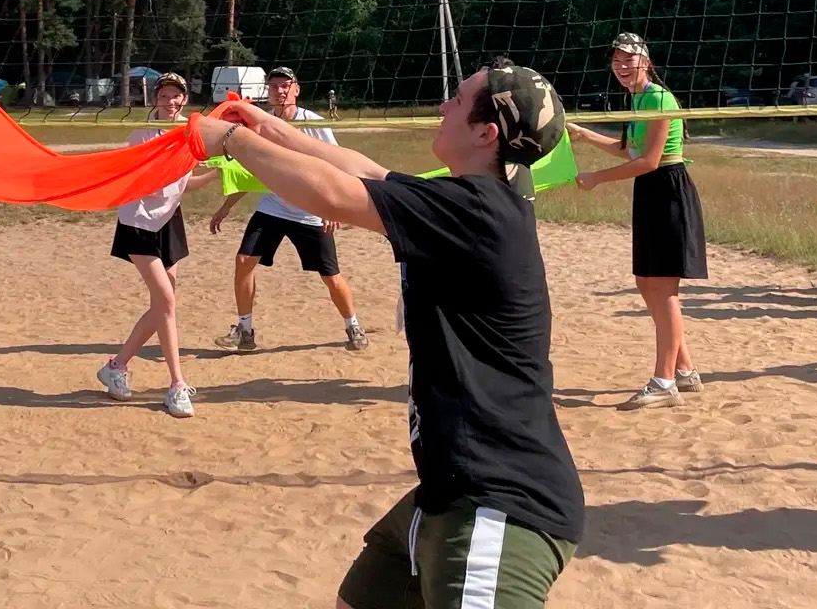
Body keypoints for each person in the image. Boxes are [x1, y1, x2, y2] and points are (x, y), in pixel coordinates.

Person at [203, 58, 584, 608]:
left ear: (486, 132)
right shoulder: (474, 199)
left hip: (502, 506)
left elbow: (333, 195)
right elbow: (367, 171)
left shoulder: (475, 213)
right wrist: (276, 130)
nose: (442, 106)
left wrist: (231, 140)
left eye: (456, 99)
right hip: (449, 489)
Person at [571, 33, 708, 409]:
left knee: (663, 290)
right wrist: (583, 134)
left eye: (628, 59)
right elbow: (625, 147)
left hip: (668, 191)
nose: (621, 66)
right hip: (651, 192)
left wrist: (597, 177)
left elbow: (649, 160)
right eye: (616, 60)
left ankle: (664, 382)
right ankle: (685, 369)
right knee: (646, 283)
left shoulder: (659, 98)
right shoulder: (637, 98)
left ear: (645, 61)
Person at [210, 65, 369, 352]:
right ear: (267, 91)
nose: (280, 90)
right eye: (274, 86)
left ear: (296, 89)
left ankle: (353, 325)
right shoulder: (261, 124)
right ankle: (244, 331)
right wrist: (227, 206)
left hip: (310, 210)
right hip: (273, 207)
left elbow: (338, 165)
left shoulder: (313, 123)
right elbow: (256, 170)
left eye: (286, 85)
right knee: (244, 261)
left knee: (331, 276)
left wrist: (333, 210)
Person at [98, 72, 219, 417]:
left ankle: (117, 366)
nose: (170, 101)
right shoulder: (142, 133)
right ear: (155, 99)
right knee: (166, 300)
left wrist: (219, 173)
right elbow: (144, 181)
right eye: (164, 95)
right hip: (137, 221)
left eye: (176, 96)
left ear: (184, 99)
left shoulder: (188, 132)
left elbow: (182, 186)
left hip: (169, 222)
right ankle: (177, 384)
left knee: (163, 304)